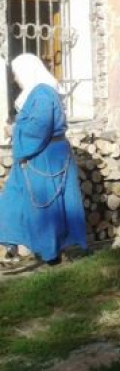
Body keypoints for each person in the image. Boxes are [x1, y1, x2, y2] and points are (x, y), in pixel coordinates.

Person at [0, 53, 87, 265]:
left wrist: (14, 131)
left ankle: (51, 253)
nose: (15, 79)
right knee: (14, 200)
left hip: (46, 158)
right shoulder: (39, 93)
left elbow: (38, 128)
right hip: (38, 156)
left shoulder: (42, 94)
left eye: (16, 73)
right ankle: (18, 246)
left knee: (47, 208)